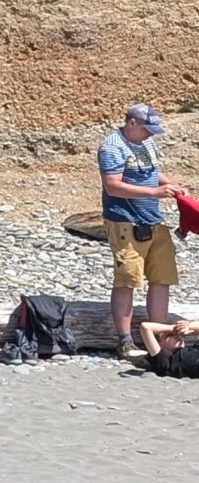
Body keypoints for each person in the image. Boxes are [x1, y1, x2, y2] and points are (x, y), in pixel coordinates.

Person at [98, 103, 179, 349]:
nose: (150, 133)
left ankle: (160, 335)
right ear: (131, 123)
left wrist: (172, 186)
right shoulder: (112, 147)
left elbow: (154, 173)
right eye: (147, 129)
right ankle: (125, 341)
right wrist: (155, 191)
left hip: (153, 220)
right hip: (125, 223)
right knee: (127, 281)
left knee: (161, 278)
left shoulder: (146, 143)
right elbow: (112, 185)